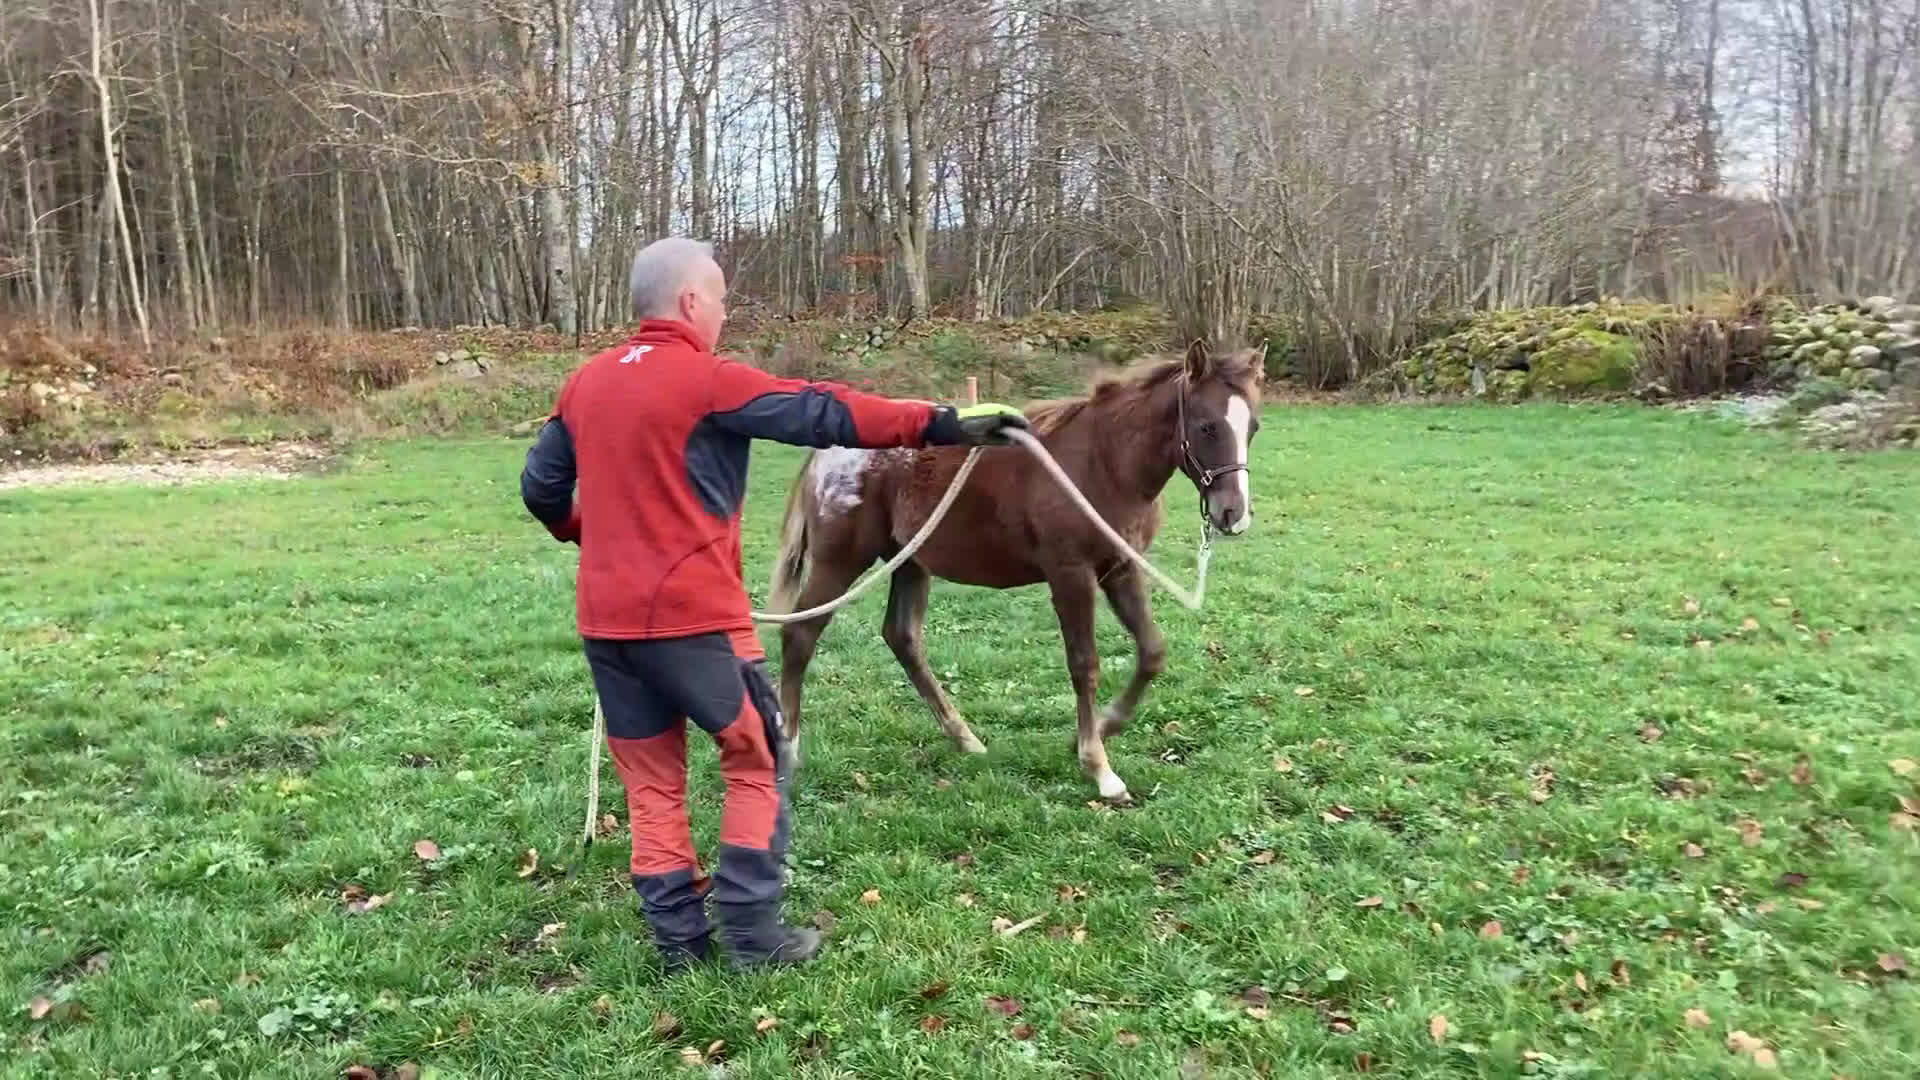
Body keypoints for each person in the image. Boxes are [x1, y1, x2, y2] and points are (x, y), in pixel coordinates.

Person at [519, 237, 1028, 974]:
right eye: (721, 298)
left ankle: (680, 945)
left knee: (655, 783)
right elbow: (821, 413)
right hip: (696, 623)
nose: (723, 313)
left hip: (606, 622)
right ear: (692, 302)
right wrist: (941, 424)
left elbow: (540, 490)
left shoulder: (581, 386)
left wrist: (585, 532)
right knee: (759, 757)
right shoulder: (707, 380)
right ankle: (754, 938)